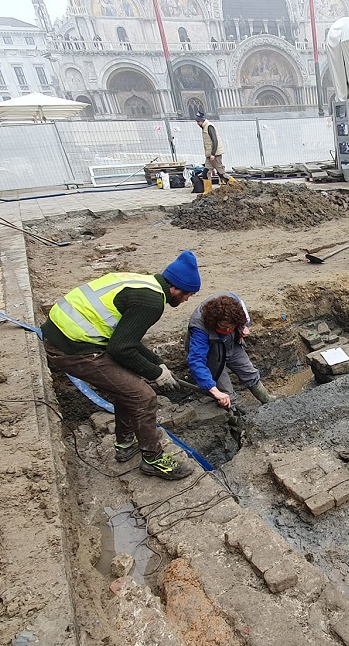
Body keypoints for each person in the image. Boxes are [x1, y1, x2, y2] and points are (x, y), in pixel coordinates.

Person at [41, 251, 202, 481]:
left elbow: (128, 340)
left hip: (67, 334)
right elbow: (120, 348)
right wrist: (155, 374)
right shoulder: (153, 303)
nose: (187, 300)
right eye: (188, 294)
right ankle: (153, 460)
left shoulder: (146, 284)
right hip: (71, 348)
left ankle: (125, 444)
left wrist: (159, 363)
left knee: (127, 388)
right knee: (144, 396)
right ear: (176, 288)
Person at [187, 292, 273, 410]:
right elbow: (197, 361)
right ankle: (235, 417)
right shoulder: (199, 328)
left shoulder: (235, 303)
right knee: (226, 393)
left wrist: (243, 327)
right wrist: (213, 389)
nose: (227, 329)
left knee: (248, 372)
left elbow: (245, 318)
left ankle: (267, 399)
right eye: (223, 327)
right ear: (214, 321)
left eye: (231, 326)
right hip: (211, 351)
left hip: (231, 342)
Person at [195, 111, 232, 194]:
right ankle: (207, 191)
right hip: (209, 155)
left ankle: (235, 186)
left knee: (221, 174)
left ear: (202, 120)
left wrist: (213, 154)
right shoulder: (204, 127)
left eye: (198, 121)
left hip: (215, 154)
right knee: (205, 172)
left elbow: (214, 141)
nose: (197, 123)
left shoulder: (209, 126)